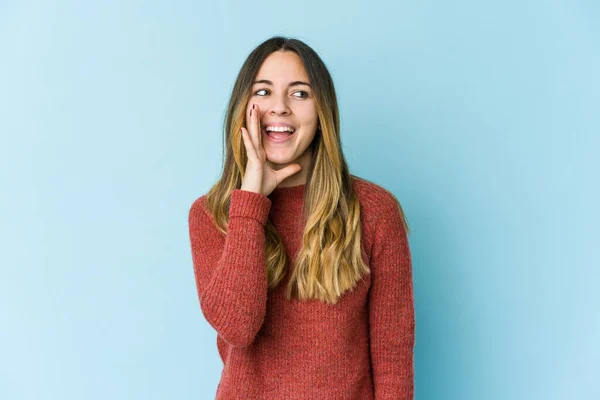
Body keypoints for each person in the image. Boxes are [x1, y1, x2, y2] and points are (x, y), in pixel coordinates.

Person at [187, 35, 415, 399]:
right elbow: (238, 326)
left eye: (299, 93)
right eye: (262, 92)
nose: (279, 107)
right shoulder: (211, 214)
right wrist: (249, 204)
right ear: (242, 108)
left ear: (322, 112)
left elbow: (393, 358)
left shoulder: (375, 211)